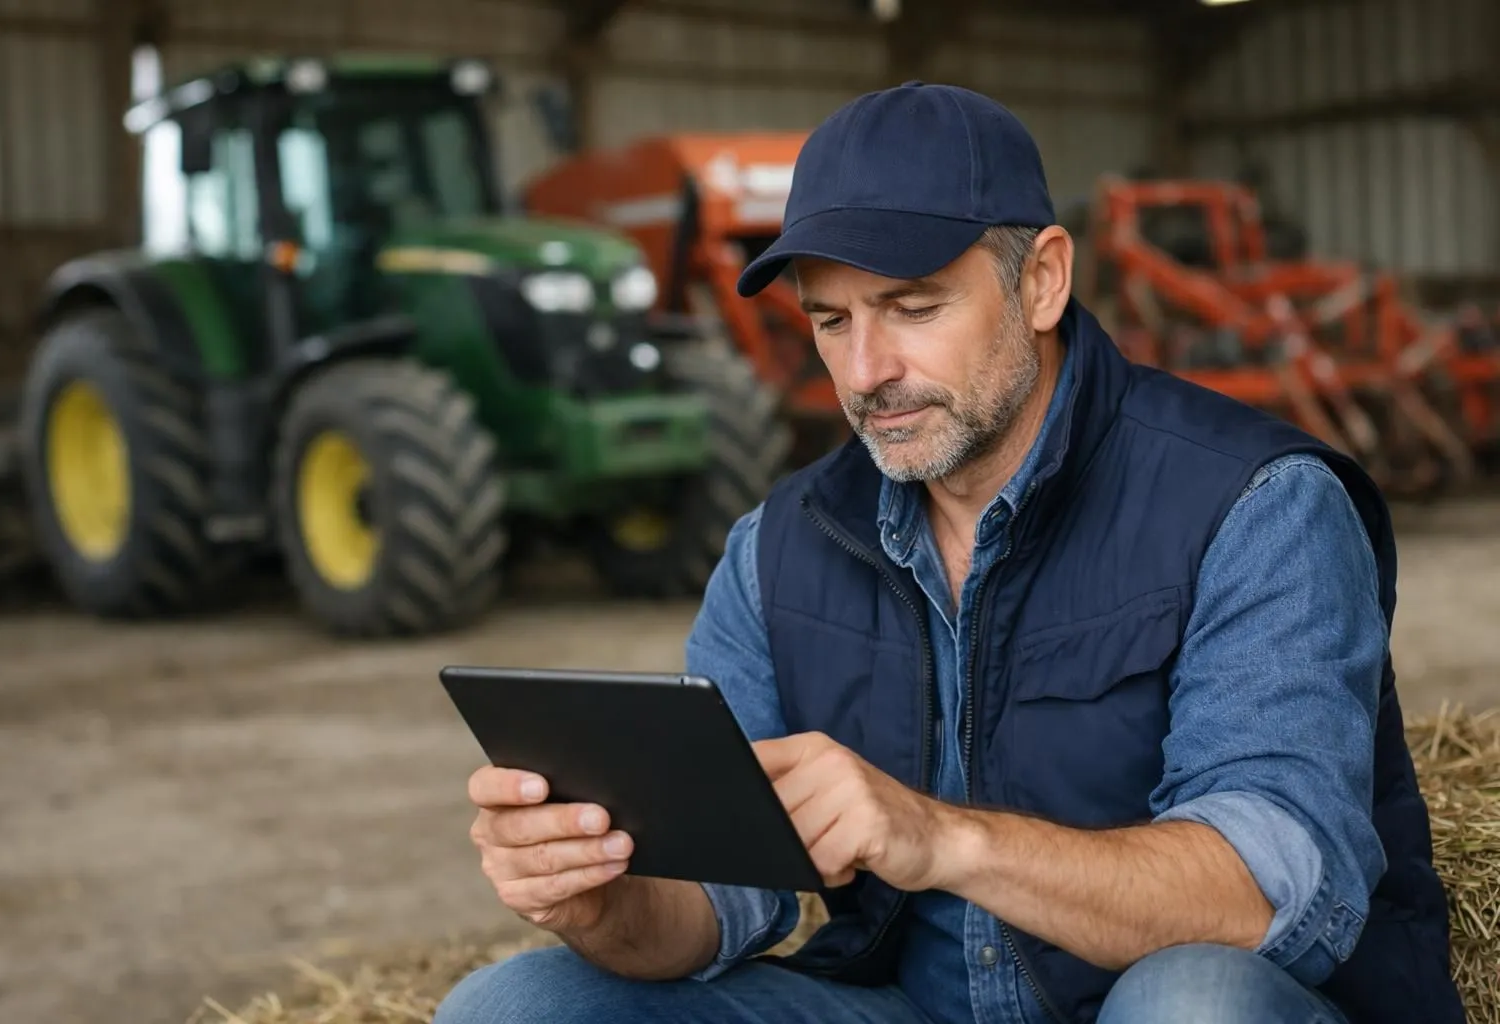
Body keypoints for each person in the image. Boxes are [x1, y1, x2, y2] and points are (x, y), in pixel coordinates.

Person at [432, 82, 1462, 1024]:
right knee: (517, 1006)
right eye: (831, 321)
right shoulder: (779, 549)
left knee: (1192, 1000)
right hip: (914, 1010)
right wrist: (600, 896)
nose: (868, 368)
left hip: (1170, 1007)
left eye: (913, 307)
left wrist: (939, 838)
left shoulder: (1254, 501)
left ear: (1044, 280)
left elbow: (1268, 891)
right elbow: (715, 902)